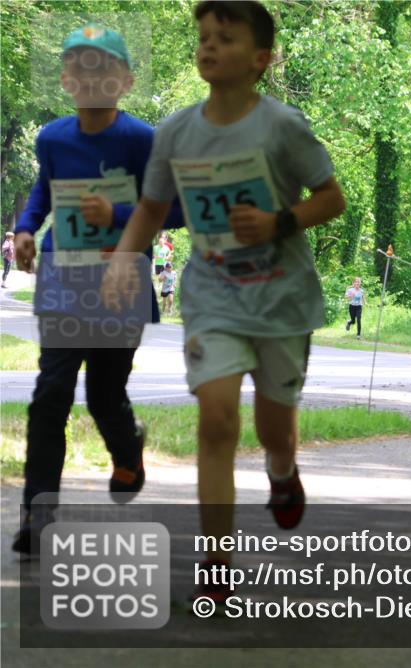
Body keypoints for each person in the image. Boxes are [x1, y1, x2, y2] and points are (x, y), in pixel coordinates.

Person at [101, 0, 345, 602]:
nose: (209, 46)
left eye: (225, 38)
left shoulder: (283, 125)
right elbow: (154, 210)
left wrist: (278, 221)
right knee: (216, 419)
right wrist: (123, 261)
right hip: (211, 295)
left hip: (281, 299)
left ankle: (283, 475)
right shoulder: (177, 133)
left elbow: (332, 198)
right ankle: (216, 562)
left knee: (273, 433)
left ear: (260, 59)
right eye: (204, 37)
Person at [11, 24, 181, 554]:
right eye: (79, 67)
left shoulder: (142, 140)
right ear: (65, 80)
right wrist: (25, 228)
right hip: (64, 280)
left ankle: (128, 453)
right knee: (50, 395)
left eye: (101, 67)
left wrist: (118, 213)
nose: (90, 77)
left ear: (124, 81)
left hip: (120, 282)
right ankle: (39, 516)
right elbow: (45, 187)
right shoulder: (53, 138)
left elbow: (172, 208)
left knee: (105, 394)